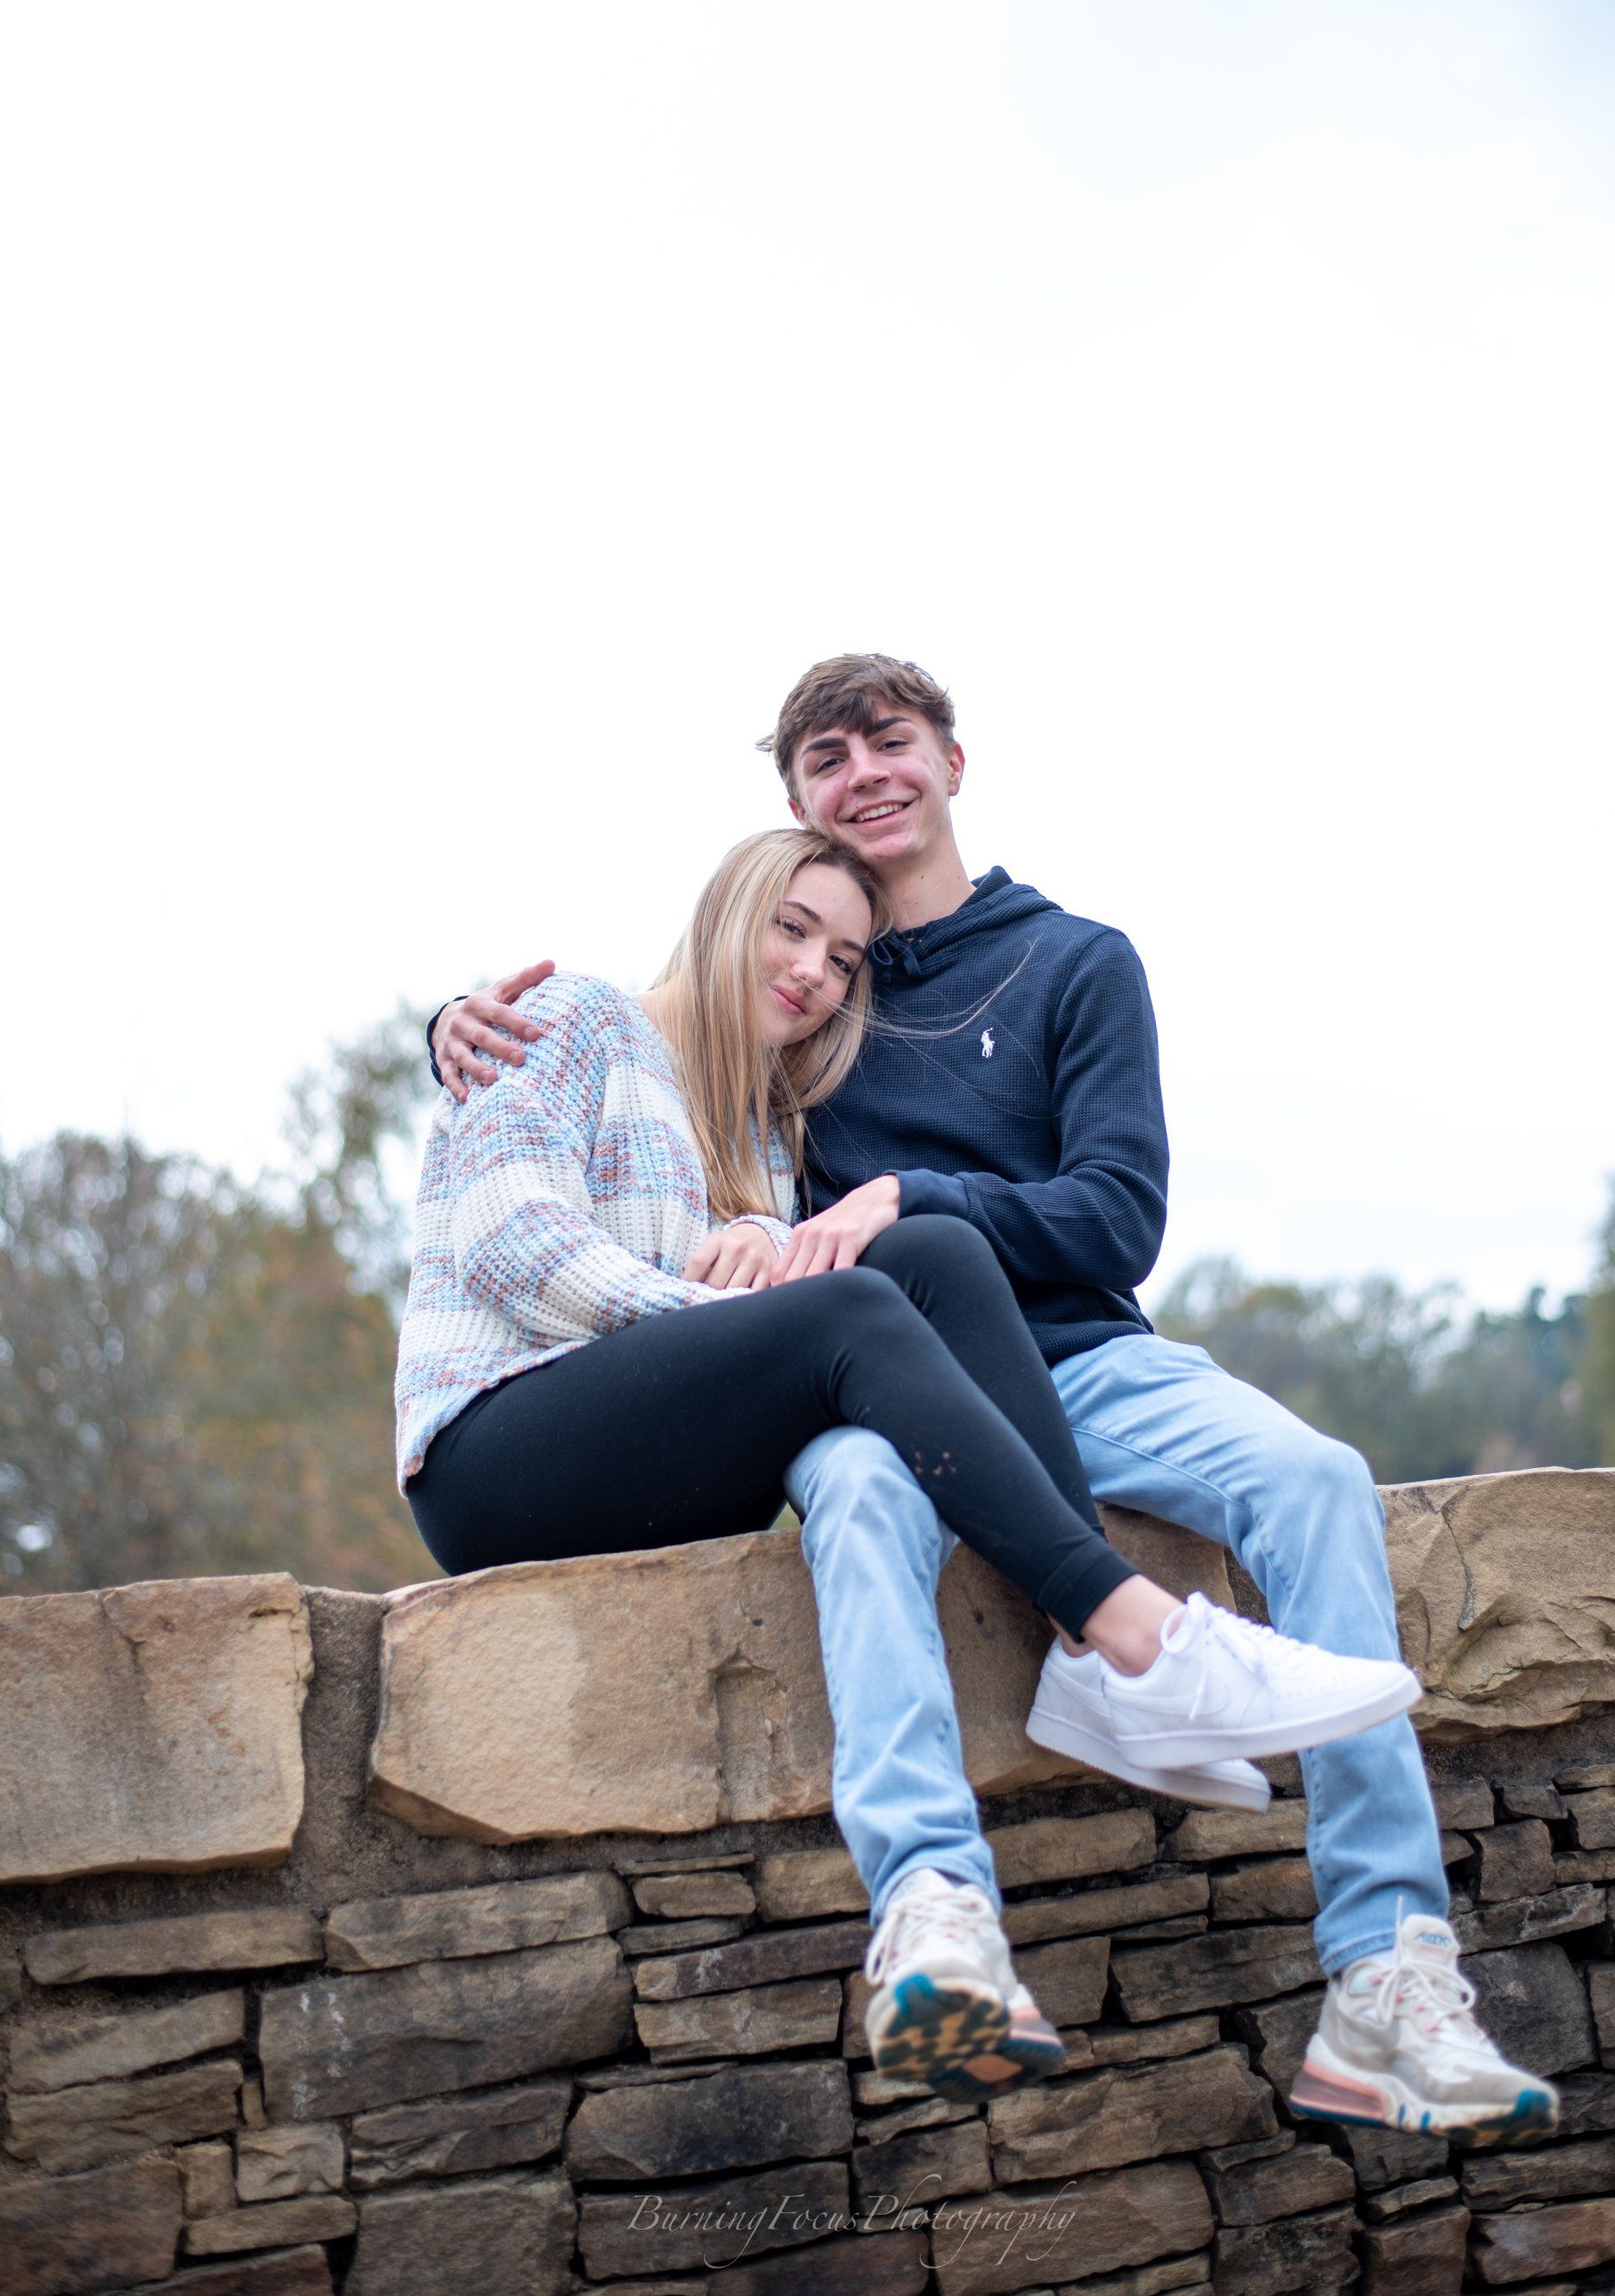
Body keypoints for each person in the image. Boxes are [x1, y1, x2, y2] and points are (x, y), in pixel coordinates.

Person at [426, 655, 1558, 2146]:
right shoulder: (790, 1024)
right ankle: (935, 1912)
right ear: (791, 812)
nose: (863, 776)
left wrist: (901, 1194)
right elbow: (615, 1076)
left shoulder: (1072, 962)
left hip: (1084, 1359)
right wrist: (451, 1030)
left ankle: (1389, 1980)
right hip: (887, 1385)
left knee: (1317, 1478)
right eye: (825, 759)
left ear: (954, 761)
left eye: (890, 740)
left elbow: (1115, 1218)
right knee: (856, 1500)